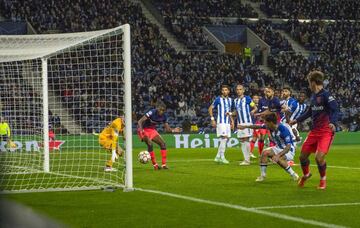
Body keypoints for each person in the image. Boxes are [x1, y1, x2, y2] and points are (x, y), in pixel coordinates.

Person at [290, 71, 339, 190]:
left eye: (309, 83)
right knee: (302, 157)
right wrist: (297, 120)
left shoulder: (327, 95)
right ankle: (306, 175)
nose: (308, 86)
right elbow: (309, 112)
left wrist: (333, 122)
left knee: (319, 158)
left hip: (326, 131)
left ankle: (323, 180)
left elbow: (335, 109)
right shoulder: (313, 97)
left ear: (313, 83)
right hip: (314, 131)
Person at [239, 113, 299, 182]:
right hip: (277, 148)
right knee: (265, 152)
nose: (265, 124)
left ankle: (293, 174)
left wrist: (278, 155)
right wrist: (245, 126)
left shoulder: (283, 129)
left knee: (278, 158)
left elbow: (288, 147)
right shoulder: (269, 126)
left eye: (266, 122)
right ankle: (263, 176)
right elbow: (257, 126)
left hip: (288, 151)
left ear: (271, 122)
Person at [137, 101, 182, 170]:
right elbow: (140, 121)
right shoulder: (152, 112)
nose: (161, 111)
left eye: (163, 110)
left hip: (152, 130)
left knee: (163, 144)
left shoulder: (164, 117)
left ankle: (164, 165)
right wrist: (141, 130)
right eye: (160, 109)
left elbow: (167, 130)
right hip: (143, 129)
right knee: (150, 144)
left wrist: (173, 130)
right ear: (158, 108)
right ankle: (155, 165)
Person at [229, 84, 255, 165]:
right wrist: (230, 114)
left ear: (243, 90)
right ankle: (246, 159)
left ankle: (247, 160)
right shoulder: (235, 101)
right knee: (242, 140)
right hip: (240, 123)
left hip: (247, 122)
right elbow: (236, 112)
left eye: (240, 89)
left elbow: (255, 107)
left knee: (245, 139)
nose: (238, 91)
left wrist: (253, 111)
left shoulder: (247, 98)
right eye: (237, 89)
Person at [208, 85, 234, 164]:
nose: (224, 91)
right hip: (221, 122)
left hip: (227, 122)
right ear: (221, 91)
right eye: (223, 90)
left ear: (228, 91)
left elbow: (229, 111)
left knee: (226, 139)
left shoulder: (230, 100)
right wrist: (212, 119)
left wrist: (232, 121)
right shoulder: (218, 99)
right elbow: (210, 108)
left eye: (226, 90)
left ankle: (217, 157)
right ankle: (222, 157)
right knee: (224, 138)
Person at [254, 86, 281, 155]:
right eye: (266, 91)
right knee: (262, 138)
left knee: (273, 138)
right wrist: (260, 114)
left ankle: (280, 154)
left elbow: (278, 109)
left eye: (268, 92)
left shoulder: (276, 100)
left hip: (274, 122)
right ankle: (263, 154)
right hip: (266, 121)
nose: (267, 93)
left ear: (272, 92)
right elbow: (269, 110)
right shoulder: (266, 100)